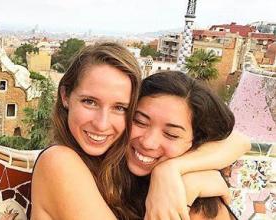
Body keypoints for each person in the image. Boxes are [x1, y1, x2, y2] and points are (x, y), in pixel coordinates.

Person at [31, 42, 249, 220]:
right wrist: (191, 186)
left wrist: (172, 172)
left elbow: (239, 141)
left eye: (120, 108)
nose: (101, 123)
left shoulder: (125, 172)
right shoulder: (59, 162)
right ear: (65, 96)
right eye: (89, 102)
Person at [123, 71, 243, 219]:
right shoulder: (103, 166)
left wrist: (169, 170)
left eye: (171, 134)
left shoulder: (200, 208)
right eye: (140, 122)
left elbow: (238, 140)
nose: (148, 142)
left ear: (196, 141)